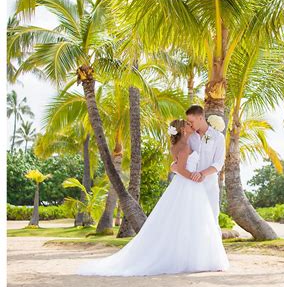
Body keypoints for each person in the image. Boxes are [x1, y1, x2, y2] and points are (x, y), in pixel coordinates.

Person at [76, 119, 230, 276]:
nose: (192, 126)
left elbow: (175, 166)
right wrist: (194, 177)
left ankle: (192, 257)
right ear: (183, 130)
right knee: (193, 221)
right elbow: (181, 169)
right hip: (189, 185)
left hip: (185, 186)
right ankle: (195, 259)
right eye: (188, 125)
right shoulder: (185, 145)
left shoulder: (183, 143)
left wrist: (180, 169)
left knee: (188, 222)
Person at [171, 105, 225, 235]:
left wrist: (202, 174)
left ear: (201, 118)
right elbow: (181, 156)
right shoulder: (189, 136)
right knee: (190, 220)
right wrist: (176, 165)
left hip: (209, 185)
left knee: (212, 218)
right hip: (190, 186)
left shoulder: (218, 137)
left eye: (192, 121)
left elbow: (219, 163)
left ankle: (213, 253)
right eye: (188, 122)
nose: (190, 124)